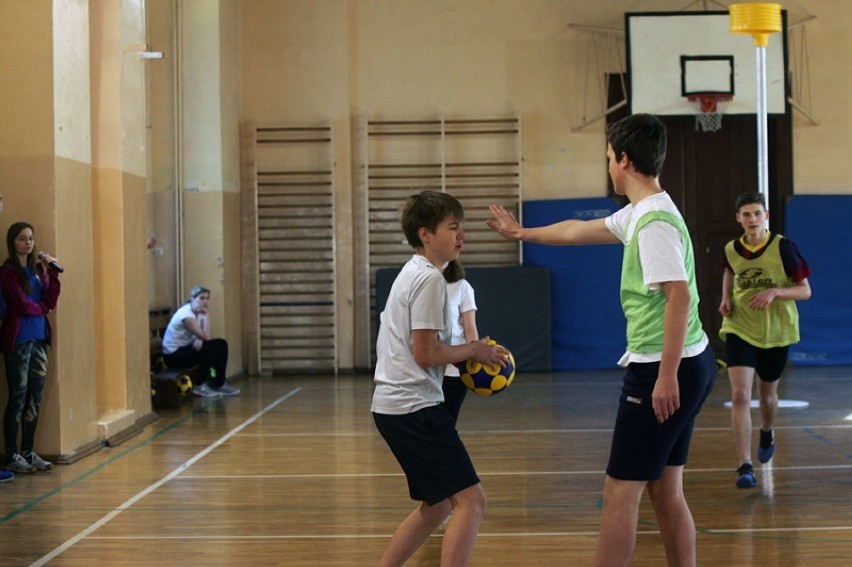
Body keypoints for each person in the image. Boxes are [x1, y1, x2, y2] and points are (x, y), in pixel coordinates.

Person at [487, 113, 716, 567]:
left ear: (625, 160)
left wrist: (665, 376)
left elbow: (679, 296)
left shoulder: (652, 224)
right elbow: (579, 229)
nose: (608, 165)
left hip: (663, 368)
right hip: (690, 362)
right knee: (665, 489)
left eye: (610, 157)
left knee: (620, 491)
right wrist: (522, 233)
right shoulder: (643, 212)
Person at [372, 190, 508, 567]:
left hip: (395, 408)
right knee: (472, 501)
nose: (461, 234)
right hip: (414, 408)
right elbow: (426, 353)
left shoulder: (413, 273)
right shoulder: (430, 280)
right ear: (426, 234)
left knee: (438, 506)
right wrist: (474, 350)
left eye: (462, 227)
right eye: (453, 227)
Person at [718, 192, 811, 489]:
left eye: (757, 214)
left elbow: (805, 290)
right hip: (740, 327)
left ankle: (767, 429)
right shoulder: (732, 248)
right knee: (741, 396)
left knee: (767, 395)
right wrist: (725, 299)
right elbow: (730, 272)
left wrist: (774, 292)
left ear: (766, 216)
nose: (752, 220)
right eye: (746, 215)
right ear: (738, 218)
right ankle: (745, 465)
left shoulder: (784, 247)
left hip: (776, 331)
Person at [1, 222, 62, 474]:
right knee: (18, 395)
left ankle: (28, 450)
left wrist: (53, 274)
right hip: (19, 340)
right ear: (12, 242)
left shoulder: (38, 270)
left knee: (35, 397)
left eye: (30, 239)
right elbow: (21, 304)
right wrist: (42, 309)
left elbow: (49, 299)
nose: (28, 243)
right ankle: (12, 453)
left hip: (39, 339)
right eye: (22, 239)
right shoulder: (7, 272)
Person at [161, 285, 239, 398]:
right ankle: (200, 385)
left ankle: (220, 383)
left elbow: (207, 337)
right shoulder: (186, 314)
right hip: (173, 356)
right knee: (209, 348)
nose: (205, 301)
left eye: (207, 298)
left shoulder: (199, 312)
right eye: (202, 298)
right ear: (193, 299)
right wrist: (206, 316)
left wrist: (200, 338)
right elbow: (206, 338)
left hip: (185, 349)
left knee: (221, 344)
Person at [442, 259, 479, 423]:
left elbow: (470, 327)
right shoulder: (420, 283)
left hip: (454, 365)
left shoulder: (462, 286)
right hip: (428, 363)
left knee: (448, 419)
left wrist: (474, 358)